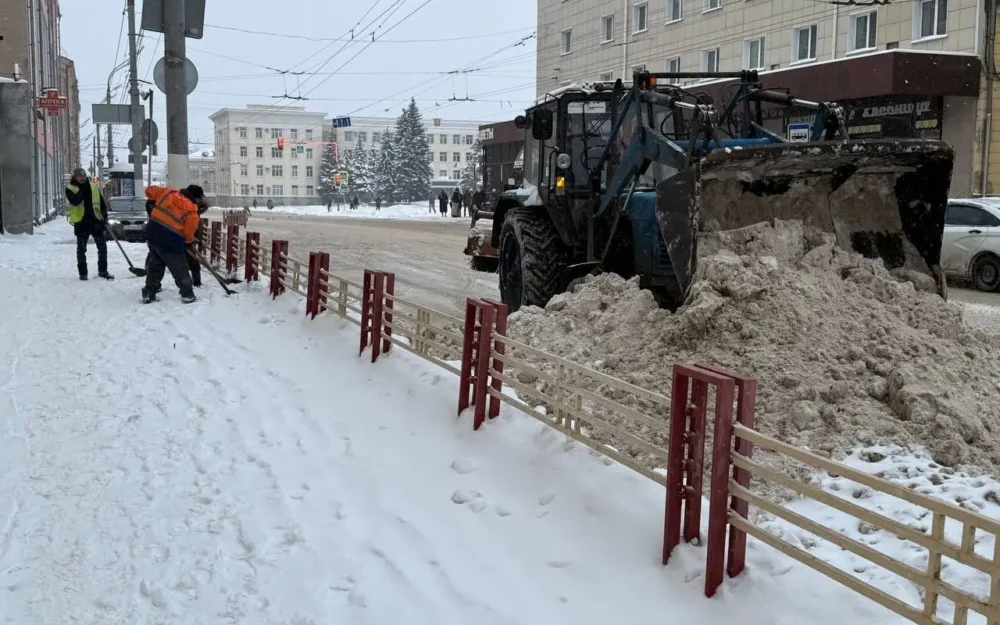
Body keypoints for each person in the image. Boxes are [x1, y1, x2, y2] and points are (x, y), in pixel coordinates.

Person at [141, 184, 207, 304]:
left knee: (156, 265)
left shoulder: (167, 193)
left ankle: (149, 292)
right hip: (170, 240)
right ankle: (187, 294)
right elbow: (188, 234)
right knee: (180, 268)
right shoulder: (192, 212)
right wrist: (189, 242)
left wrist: (153, 202)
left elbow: (149, 190)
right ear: (197, 199)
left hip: (152, 233)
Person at [65, 167, 113, 281]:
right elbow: (75, 201)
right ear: (75, 177)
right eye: (79, 176)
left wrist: (104, 217)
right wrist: (83, 189)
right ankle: (83, 273)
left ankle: (103, 271)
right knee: (81, 249)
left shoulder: (93, 186)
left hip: (96, 221)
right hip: (81, 222)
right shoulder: (70, 188)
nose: (82, 178)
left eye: (83, 175)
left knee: (102, 248)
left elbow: (101, 203)